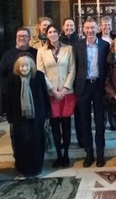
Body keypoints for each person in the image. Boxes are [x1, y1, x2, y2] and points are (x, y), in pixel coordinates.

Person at [4, 54, 51, 180]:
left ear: (32, 66)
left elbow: (45, 96)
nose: (24, 68)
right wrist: (10, 117)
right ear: (18, 67)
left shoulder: (39, 76)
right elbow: (7, 99)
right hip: (19, 117)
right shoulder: (11, 79)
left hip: (37, 115)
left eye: (27, 66)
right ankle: (23, 170)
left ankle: (37, 169)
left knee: (36, 142)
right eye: (22, 66)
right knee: (21, 143)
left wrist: (47, 113)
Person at [37, 25, 76, 168]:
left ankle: (66, 154)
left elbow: (72, 69)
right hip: (51, 93)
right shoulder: (41, 51)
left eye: (55, 32)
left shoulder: (68, 49)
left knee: (66, 125)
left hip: (67, 92)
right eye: (50, 32)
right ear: (47, 35)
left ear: (59, 33)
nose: (53, 34)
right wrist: (53, 90)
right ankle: (58, 154)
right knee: (54, 125)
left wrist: (64, 89)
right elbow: (41, 72)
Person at [74, 18, 109, 168]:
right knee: (85, 122)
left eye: (93, 28)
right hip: (83, 87)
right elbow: (74, 66)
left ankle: (100, 154)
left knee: (100, 123)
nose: (90, 31)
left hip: (99, 87)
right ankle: (89, 154)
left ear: (97, 29)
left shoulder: (105, 45)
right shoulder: (77, 46)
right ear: (83, 29)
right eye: (87, 28)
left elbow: (108, 67)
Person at [0, 28, 38, 123]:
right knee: (16, 129)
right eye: (19, 36)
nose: (22, 38)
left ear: (29, 38)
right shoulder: (7, 55)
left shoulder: (37, 53)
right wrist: (6, 91)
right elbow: (1, 75)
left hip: (33, 97)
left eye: (25, 36)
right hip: (13, 98)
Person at [59, 18, 83, 148]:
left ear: (75, 27)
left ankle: (81, 139)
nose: (69, 28)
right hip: (64, 83)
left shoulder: (79, 41)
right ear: (63, 27)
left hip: (77, 82)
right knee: (64, 115)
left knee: (79, 113)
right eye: (67, 25)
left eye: (71, 25)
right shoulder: (59, 42)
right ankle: (65, 140)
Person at [98, 16, 116, 131]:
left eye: (109, 25)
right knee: (102, 100)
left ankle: (113, 123)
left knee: (112, 98)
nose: (107, 27)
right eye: (104, 25)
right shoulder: (96, 38)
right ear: (100, 26)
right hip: (101, 71)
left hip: (113, 71)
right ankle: (103, 123)